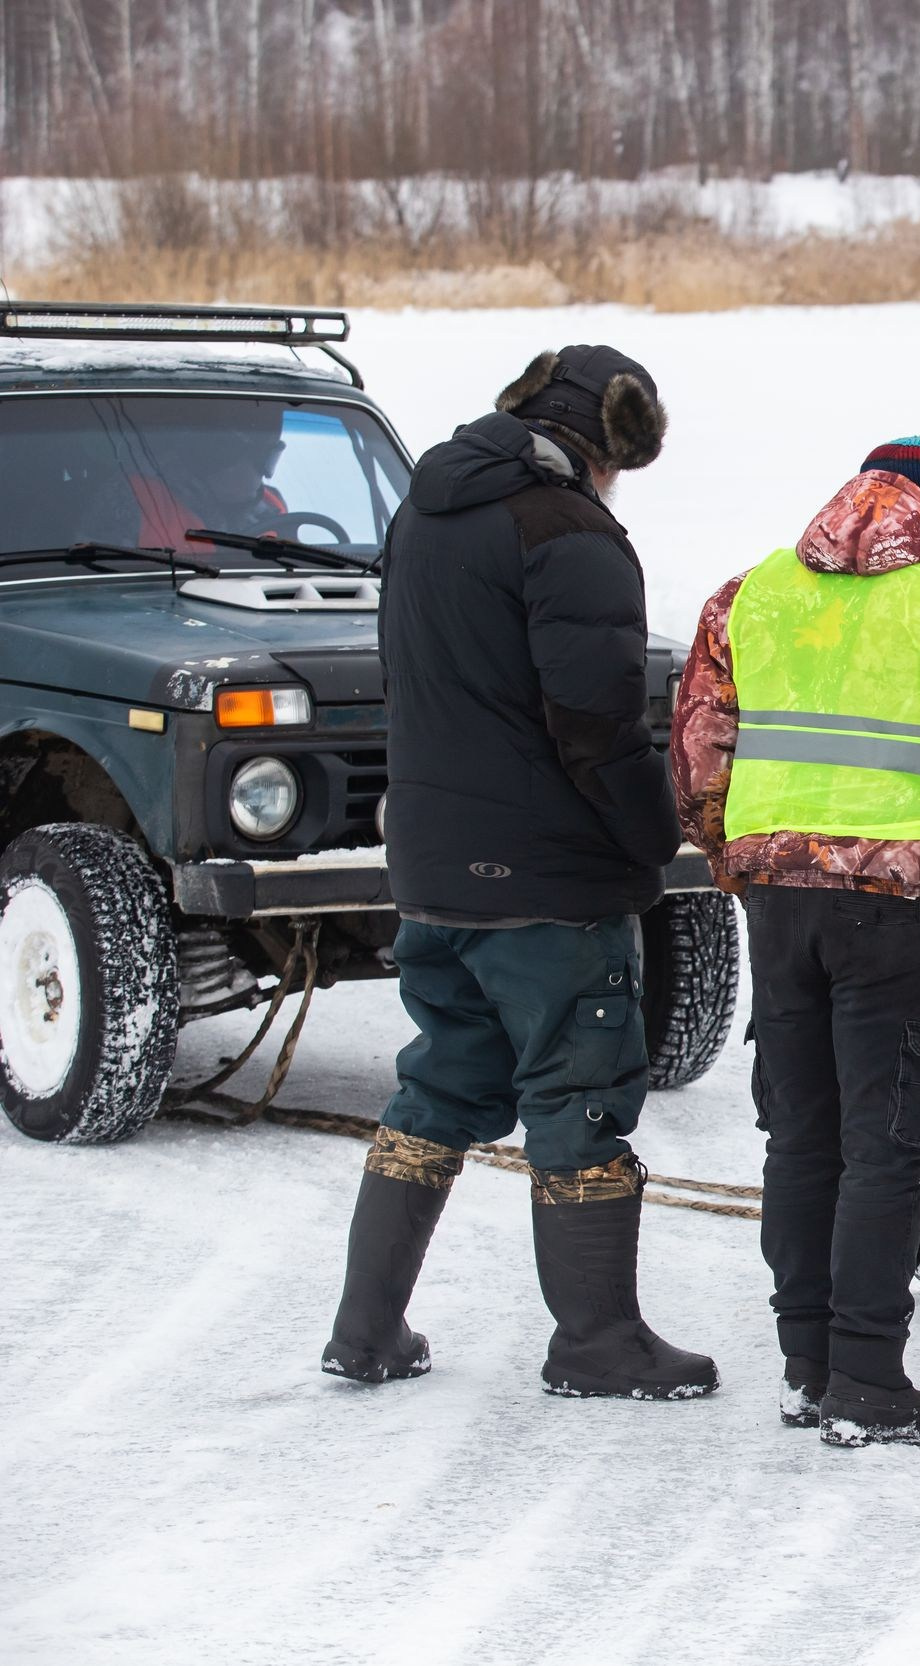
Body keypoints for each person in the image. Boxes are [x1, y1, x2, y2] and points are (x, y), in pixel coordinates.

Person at [323, 346, 716, 1401]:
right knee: (580, 1095)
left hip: (436, 870)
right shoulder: (569, 533)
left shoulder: (424, 510)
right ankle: (596, 1340)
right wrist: (658, 836)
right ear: (608, 445)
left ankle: (365, 1329)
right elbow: (596, 726)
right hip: (546, 880)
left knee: (440, 1083)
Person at [674, 437, 920, 1446]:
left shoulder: (746, 595)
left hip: (778, 903)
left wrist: (738, 860)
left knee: (801, 1138)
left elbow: (697, 756)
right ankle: (867, 1378)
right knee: (887, 1146)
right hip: (903, 908)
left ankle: (809, 1364)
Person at [129, 402, 288, 550]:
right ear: (203, 455)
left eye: (263, 457)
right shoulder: (137, 499)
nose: (250, 474)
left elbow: (297, 568)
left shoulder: (273, 505)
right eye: (232, 455)